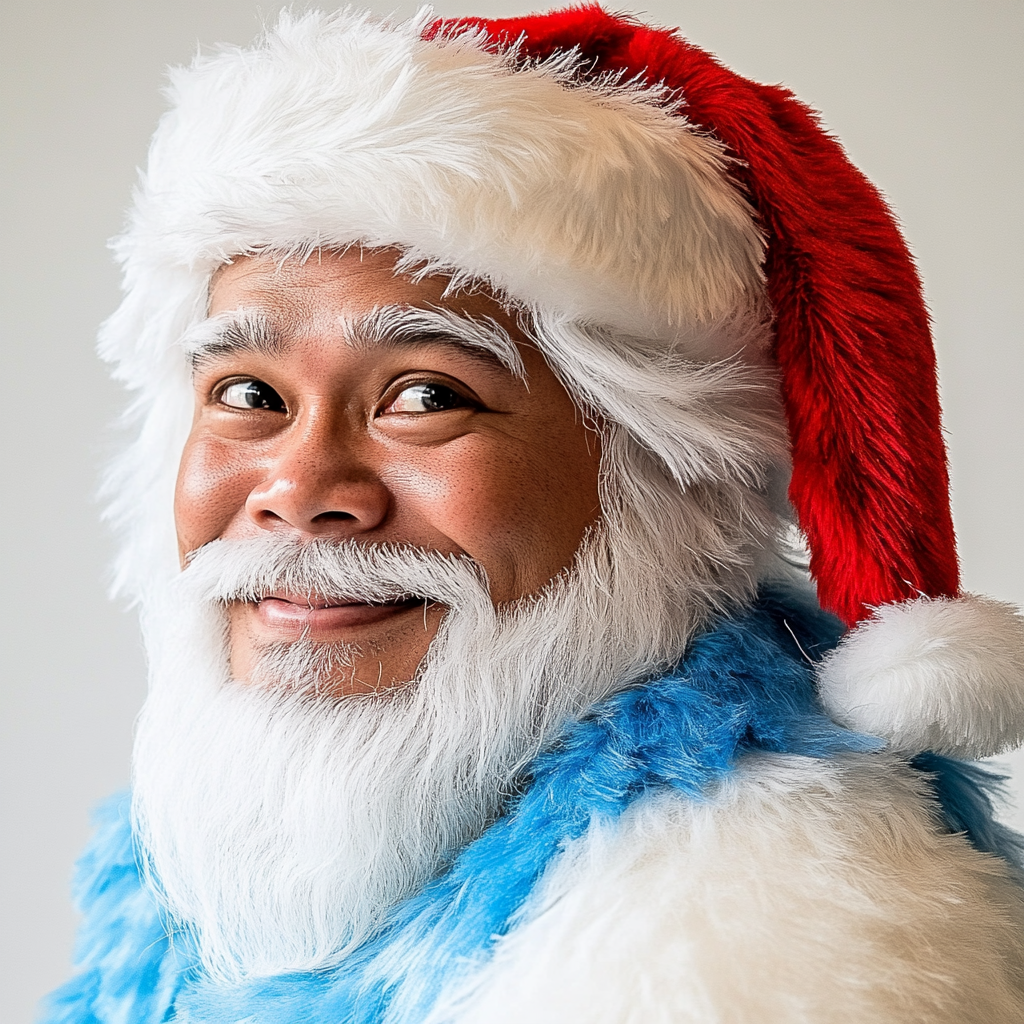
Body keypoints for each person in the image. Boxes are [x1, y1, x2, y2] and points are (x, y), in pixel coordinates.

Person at [41, 6, 1024, 1022]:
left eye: (426, 395)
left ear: (661, 472)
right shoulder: (188, 872)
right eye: (249, 395)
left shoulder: (748, 945)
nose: (298, 487)